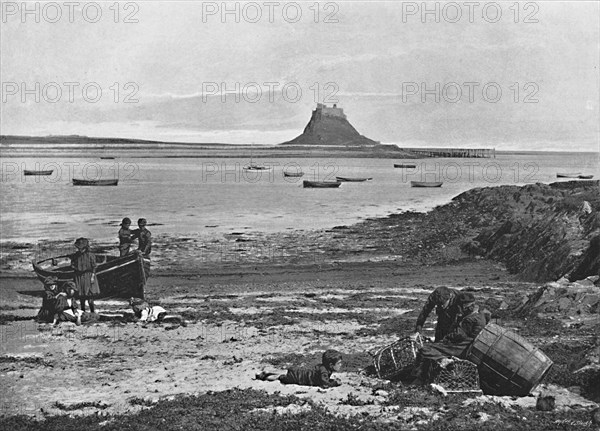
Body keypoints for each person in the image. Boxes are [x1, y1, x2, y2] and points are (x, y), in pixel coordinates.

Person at [411, 292, 490, 384]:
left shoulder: (469, 320)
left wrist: (444, 340)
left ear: (465, 307)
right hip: (469, 346)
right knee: (434, 346)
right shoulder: (480, 316)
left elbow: (457, 335)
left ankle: (441, 362)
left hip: (461, 348)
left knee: (425, 349)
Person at [255, 349, 343, 388]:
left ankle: (268, 371)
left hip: (299, 371)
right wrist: (335, 383)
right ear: (331, 365)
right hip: (297, 378)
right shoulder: (324, 371)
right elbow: (325, 384)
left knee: (285, 371)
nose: (341, 365)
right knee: (280, 377)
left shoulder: (322, 367)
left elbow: (321, 378)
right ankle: (264, 378)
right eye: (339, 363)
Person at [71, 237, 99, 313]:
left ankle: (92, 311)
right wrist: (76, 268)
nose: (79, 249)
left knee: (89, 295)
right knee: (81, 295)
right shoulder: (76, 255)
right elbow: (72, 264)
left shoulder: (90, 255)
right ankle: (83, 311)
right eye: (78, 248)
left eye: (81, 248)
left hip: (88, 276)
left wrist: (93, 277)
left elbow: (94, 266)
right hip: (79, 276)